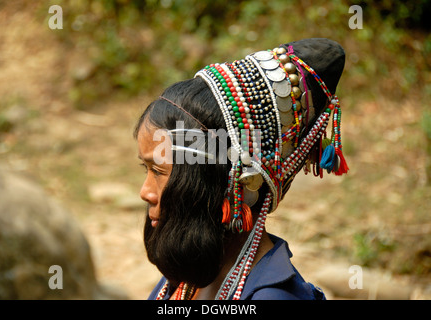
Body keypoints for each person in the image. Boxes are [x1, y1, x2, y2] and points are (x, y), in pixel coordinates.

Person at [134, 38, 348, 300]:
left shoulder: (273, 297)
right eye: (145, 168)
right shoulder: (186, 278)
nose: (145, 192)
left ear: (223, 181)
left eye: (158, 171)